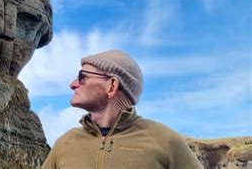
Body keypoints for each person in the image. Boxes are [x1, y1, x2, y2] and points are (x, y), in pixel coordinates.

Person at [42, 50, 203, 169]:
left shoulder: (166, 141)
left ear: (111, 85)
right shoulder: (65, 143)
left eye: (83, 76)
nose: (73, 84)